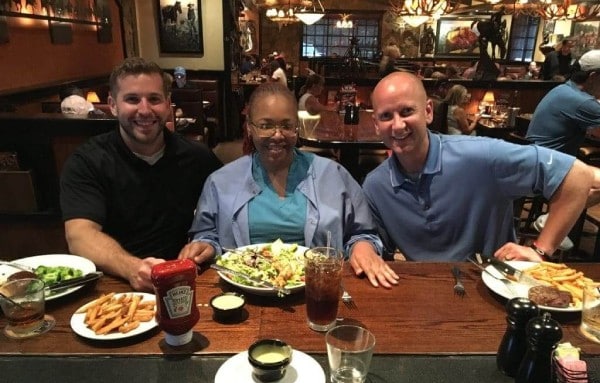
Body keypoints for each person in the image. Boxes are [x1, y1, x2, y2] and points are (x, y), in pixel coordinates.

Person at [179, 83, 399, 288]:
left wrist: (364, 247)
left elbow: (363, 233)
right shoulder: (221, 181)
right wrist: (205, 247)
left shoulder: (334, 175)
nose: (277, 135)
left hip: (318, 291)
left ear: (297, 127)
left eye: (286, 125)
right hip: (243, 290)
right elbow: (207, 235)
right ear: (250, 128)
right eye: (265, 125)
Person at [362, 71, 594, 262]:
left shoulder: (481, 156)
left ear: (428, 111)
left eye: (406, 111)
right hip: (424, 295)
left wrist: (541, 250)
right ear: (376, 125)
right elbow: (376, 247)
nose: (398, 125)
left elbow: (577, 175)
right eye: (386, 116)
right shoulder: (375, 186)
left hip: (492, 287)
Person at [60, 57, 223, 291]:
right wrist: (132, 268)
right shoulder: (87, 161)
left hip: (184, 279)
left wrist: (208, 244)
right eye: (132, 99)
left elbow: (226, 210)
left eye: (154, 99)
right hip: (115, 283)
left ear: (168, 105)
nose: (145, 110)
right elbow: (79, 236)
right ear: (113, 104)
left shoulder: (198, 157)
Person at [527, 49, 600, 157]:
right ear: (593, 77)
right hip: (548, 166)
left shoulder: (563, 89)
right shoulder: (584, 102)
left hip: (535, 159)